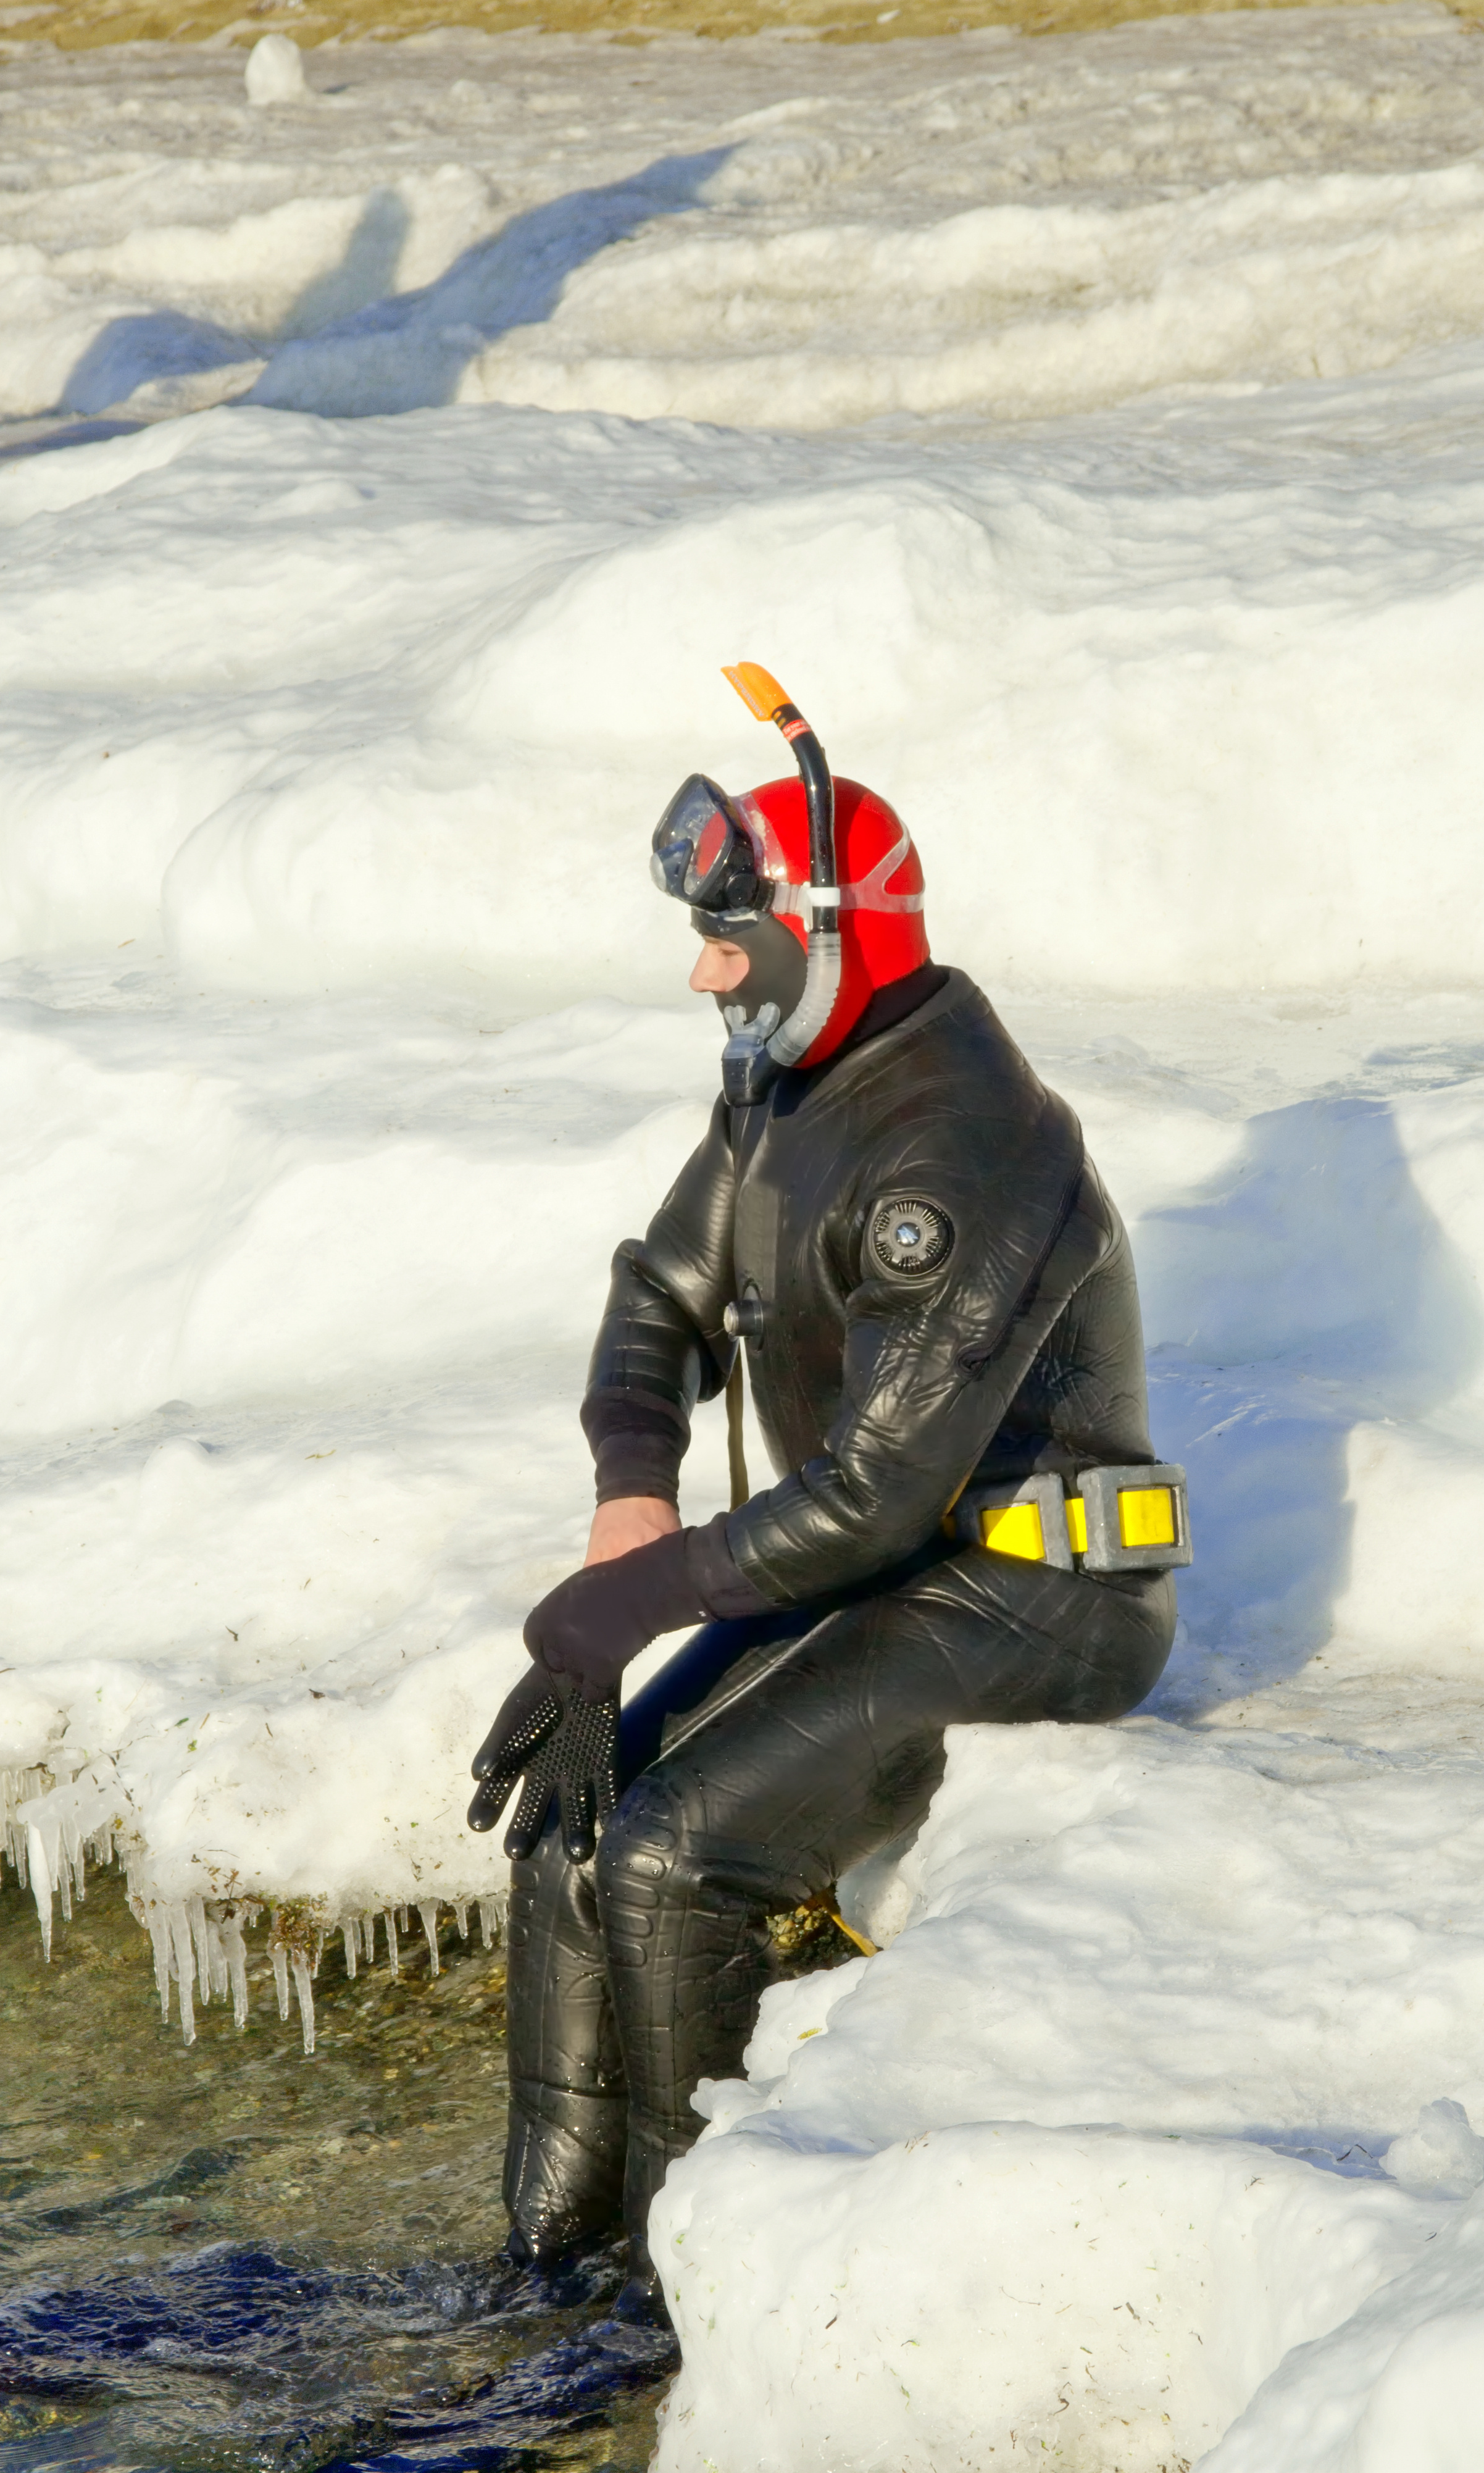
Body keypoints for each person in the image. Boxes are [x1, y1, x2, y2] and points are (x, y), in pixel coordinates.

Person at [470, 668, 1184, 2330]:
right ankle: (544, 2285)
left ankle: (670, 2318)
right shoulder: (790, 1093)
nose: (705, 970)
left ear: (834, 940)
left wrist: (625, 1616)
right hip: (904, 1569)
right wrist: (632, 1508)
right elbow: (657, 1292)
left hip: (1042, 1594)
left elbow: (870, 1494)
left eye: (735, 941)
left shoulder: (961, 1150)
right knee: (570, 1834)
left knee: (669, 1860)